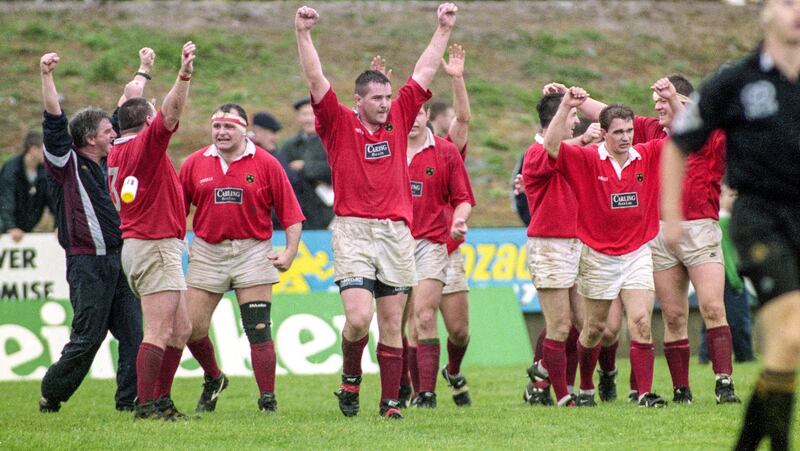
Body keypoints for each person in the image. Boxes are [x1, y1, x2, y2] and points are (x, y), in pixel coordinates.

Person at [295, 2, 457, 419]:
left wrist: (442, 28)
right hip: (352, 230)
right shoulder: (336, 122)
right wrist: (304, 34)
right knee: (358, 319)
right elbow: (315, 78)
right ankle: (351, 378)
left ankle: (389, 404)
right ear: (358, 101)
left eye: (388, 96)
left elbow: (423, 73)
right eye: (377, 98)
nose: (386, 104)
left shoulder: (401, 116)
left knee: (390, 323)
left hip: (396, 233)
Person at [663, 1, 800, 446]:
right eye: (785, 2)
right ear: (764, 14)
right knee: (792, 333)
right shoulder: (735, 81)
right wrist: (671, 215)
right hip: (759, 217)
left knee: (786, 347)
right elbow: (677, 144)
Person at [544, 88, 668, 408]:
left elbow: (683, 135)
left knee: (640, 320)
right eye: (618, 132)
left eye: (629, 131)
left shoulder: (649, 154)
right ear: (604, 133)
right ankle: (586, 386)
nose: (626, 137)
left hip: (638, 250)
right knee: (596, 329)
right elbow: (551, 146)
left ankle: (644, 393)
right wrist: (567, 106)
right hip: (598, 255)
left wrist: (672, 101)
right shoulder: (586, 159)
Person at [179, 103, 305, 414]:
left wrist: (290, 251)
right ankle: (214, 378)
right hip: (208, 250)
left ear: (244, 130)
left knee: (258, 329)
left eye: (229, 127)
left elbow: (291, 214)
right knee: (190, 329)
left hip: (252, 250)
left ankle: (268, 400)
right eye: (217, 127)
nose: (221, 133)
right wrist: (179, 243)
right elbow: (175, 212)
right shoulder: (194, 163)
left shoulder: (266, 163)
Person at [37, 52, 142, 413]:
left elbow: (123, 111)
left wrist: (142, 70)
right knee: (88, 338)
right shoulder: (66, 163)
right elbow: (54, 121)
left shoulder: (104, 158)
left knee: (134, 335)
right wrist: (46, 75)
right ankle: (52, 392)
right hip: (87, 266)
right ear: (88, 139)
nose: (114, 134)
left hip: (119, 261)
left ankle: (129, 403)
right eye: (107, 132)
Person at [107, 41, 196, 420]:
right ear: (147, 122)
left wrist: (143, 68)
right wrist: (183, 75)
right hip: (154, 243)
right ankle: (146, 405)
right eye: (151, 114)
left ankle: (160, 398)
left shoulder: (117, 146)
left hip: (144, 244)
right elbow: (170, 112)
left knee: (181, 328)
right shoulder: (146, 145)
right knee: (159, 330)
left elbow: (131, 100)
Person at [520, 92, 596, 407]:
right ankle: (563, 395)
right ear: (558, 119)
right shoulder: (536, 153)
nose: (577, 122)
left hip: (577, 244)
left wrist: (589, 140)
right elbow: (553, 148)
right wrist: (566, 104)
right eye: (573, 117)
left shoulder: (569, 151)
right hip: (549, 245)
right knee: (560, 325)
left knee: (585, 326)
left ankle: (544, 374)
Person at [402, 102, 475, 409]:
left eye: (419, 113)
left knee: (458, 331)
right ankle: (421, 393)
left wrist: (459, 221)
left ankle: (453, 370)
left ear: (428, 115)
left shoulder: (446, 150)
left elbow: (464, 118)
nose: (414, 120)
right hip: (399, 247)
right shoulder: (384, 149)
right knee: (419, 319)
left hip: (445, 246)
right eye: (408, 114)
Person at [698, 181, 755, 365]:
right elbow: (729, 256)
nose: (735, 200)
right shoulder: (724, 222)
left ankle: (709, 356)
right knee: (733, 320)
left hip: (724, 278)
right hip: (729, 279)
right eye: (731, 196)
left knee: (716, 319)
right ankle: (742, 355)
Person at [279, 97, 335, 230]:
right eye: (304, 114)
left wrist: (306, 167)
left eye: (312, 114)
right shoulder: (289, 145)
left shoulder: (331, 142)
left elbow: (339, 169)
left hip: (327, 210)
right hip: (298, 210)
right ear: (298, 118)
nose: (308, 119)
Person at [0, 131, 55, 241]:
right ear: (33, 149)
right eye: (44, 150)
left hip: (27, 226)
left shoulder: (45, 171)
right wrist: (11, 227)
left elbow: (53, 199)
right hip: (5, 225)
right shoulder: (11, 169)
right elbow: (6, 200)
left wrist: (59, 226)